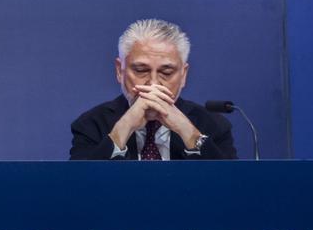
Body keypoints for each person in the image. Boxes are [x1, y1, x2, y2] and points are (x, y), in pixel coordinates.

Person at [69, 18, 235, 161]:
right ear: (120, 71)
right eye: (141, 70)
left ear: (183, 75)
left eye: (166, 72)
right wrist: (123, 128)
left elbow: (231, 188)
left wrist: (188, 132)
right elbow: (79, 189)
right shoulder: (91, 124)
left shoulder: (213, 125)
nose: (153, 84)